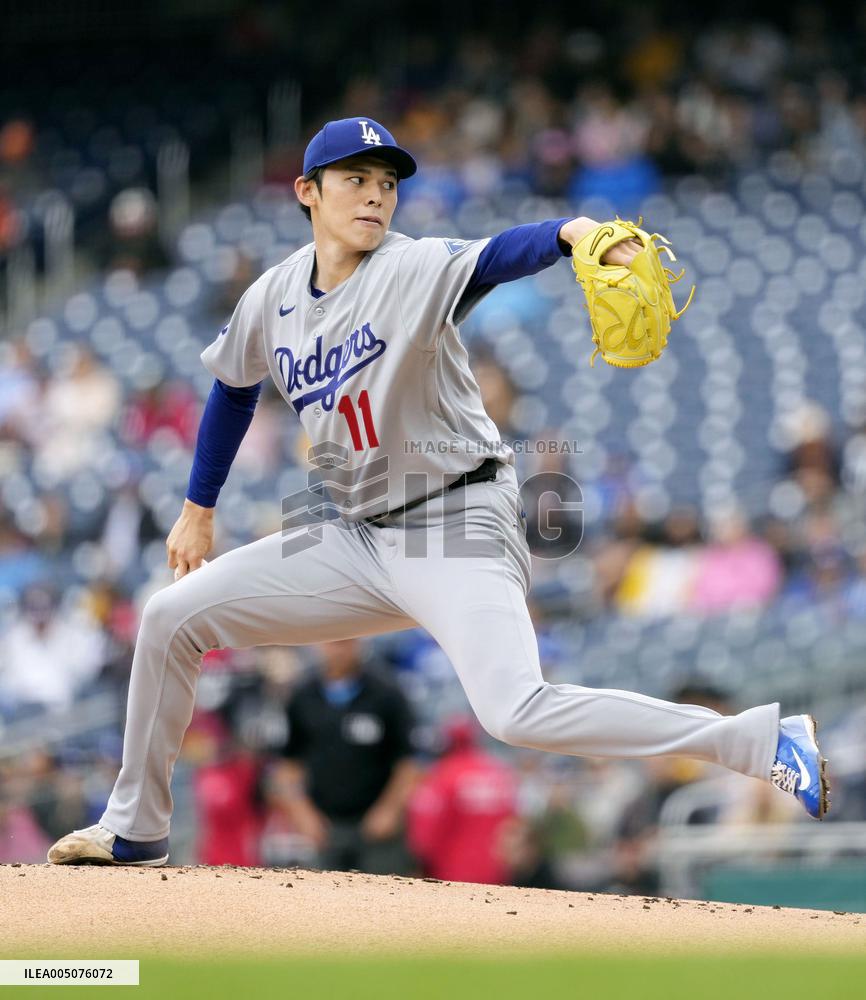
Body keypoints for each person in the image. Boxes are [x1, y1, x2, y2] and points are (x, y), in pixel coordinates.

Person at [48, 115, 828, 868]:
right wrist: (197, 509)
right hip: (350, 534)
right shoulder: (272, 297)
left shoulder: (411, 267)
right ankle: (136, 828)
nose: (375, 195)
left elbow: (498, 255)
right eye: (354, 179)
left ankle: (761, 741)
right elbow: (231, 390)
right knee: (168, 617)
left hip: (459, 521)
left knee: (514, 709)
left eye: (386, 181)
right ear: (306, 192)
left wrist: (575, 234)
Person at [272, 638, 419, 874]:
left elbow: (408, 763)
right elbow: (287, 765)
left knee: (381, 900)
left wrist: (390, 810)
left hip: (375, 825)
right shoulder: (301, 695)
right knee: (323, 903)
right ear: (317, 645)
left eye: (346, 643)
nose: (338, 650)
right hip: (324, 825)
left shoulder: (387, 693)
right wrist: (302, 813)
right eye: (332, 643)